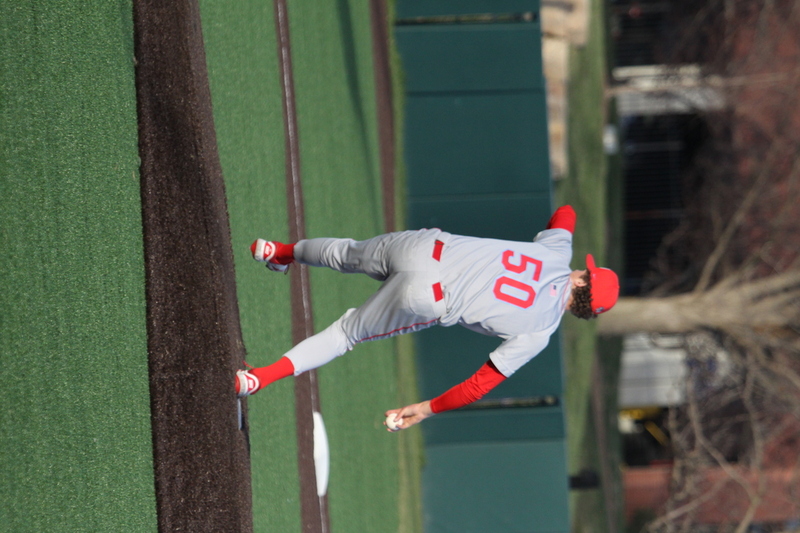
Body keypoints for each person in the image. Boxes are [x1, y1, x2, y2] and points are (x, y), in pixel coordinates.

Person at [235, 205, 619, 431]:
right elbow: (477, 386)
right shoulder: (541, 332)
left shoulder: (556, 252)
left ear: (584, 278)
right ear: (582, 311)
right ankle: (258, 378)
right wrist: (426, 408)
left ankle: (278, 250)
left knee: (348, 253)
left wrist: (563, 232)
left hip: (425, 246)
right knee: (345, 335)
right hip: (426, 298)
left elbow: (565, 213)